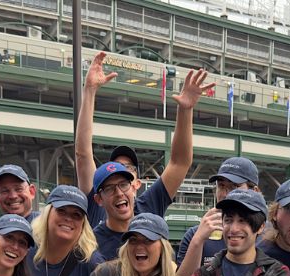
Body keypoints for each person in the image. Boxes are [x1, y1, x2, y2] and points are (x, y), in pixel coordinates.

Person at [84, 61, 208, 260]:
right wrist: (89, 92)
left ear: (135, 184)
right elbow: (83, 153)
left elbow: (179, 162)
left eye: (124, 180)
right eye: (109, 186)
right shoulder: (93, 236)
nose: (118, 191)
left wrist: (185, 111)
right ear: (99, 198)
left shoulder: (147, 206)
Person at [175, 156, 261, 276]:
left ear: (255, 191)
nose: (225, 194)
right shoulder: (195, 235)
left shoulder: (265, 235)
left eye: (233, 187)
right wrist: (197, 241)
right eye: (221, 186)